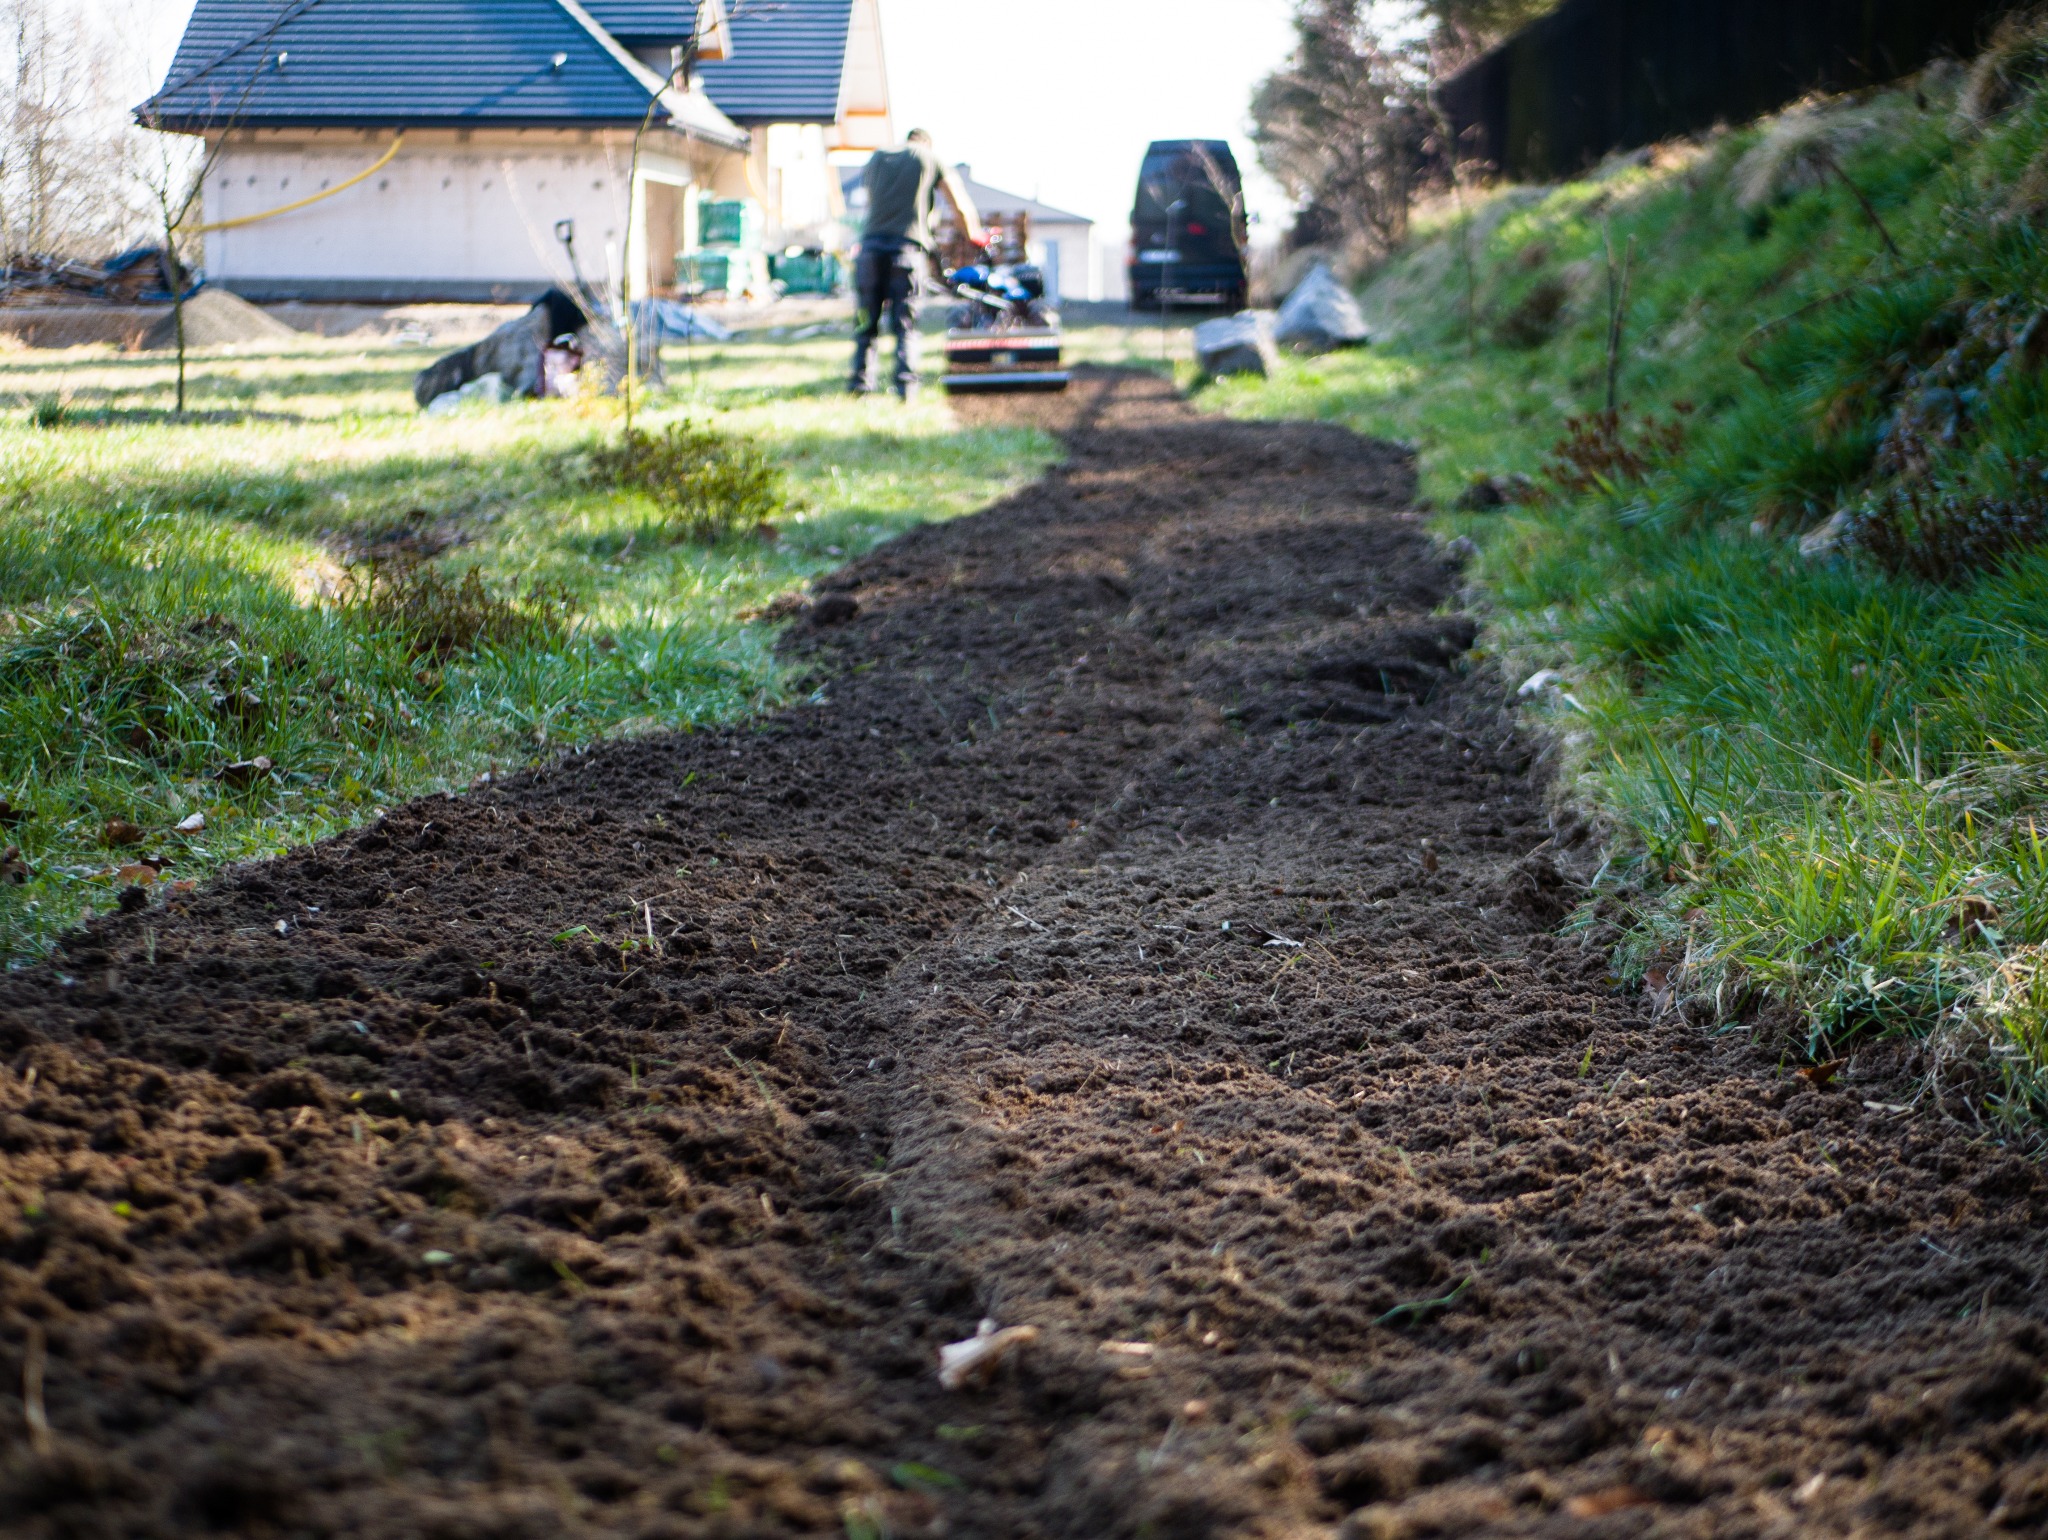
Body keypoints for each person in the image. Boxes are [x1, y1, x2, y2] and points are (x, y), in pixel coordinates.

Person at [850, 129, 984, 399]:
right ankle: (906, 389)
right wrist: (975, 237)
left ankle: (860, 387)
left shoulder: (877, 157)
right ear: (926, 143)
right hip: (907, 252)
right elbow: (958, 203)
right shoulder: (929, 157)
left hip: (870, 251)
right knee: (905, 325)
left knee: (866, 323)